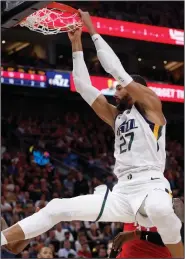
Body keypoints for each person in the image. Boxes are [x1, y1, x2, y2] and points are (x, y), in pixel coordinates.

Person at [1, 10, 183, 259]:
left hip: (150, 187)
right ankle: (5, 241)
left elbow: (115, 69)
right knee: (57, 208)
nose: (114, 92)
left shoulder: (152, 108)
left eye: (119, 88)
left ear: (136, 90)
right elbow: (84, 86)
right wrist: (76, 43)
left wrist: (91, 29)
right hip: (122, 193)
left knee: (160, 209)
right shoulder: (116, 116)